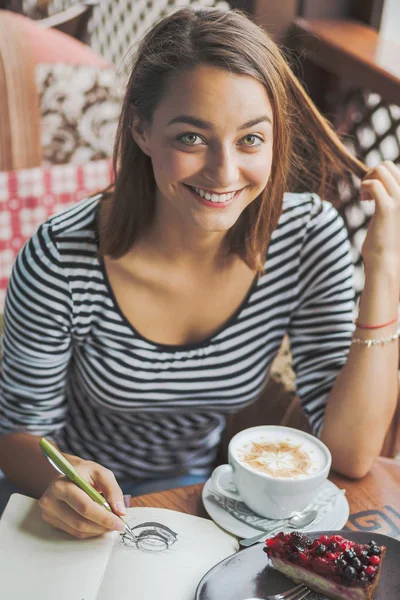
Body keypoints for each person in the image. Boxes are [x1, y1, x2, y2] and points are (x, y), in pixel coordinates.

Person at [0, 7, 399, 539]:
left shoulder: (308, 239)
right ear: (141, 130)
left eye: (251, 139)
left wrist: (384, 264)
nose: (224, 173)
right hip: (69, 501)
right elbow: (20, 435)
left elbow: (350, 453)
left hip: (201, 500)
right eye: (191, 137)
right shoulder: (60, 257)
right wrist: (61, 479)